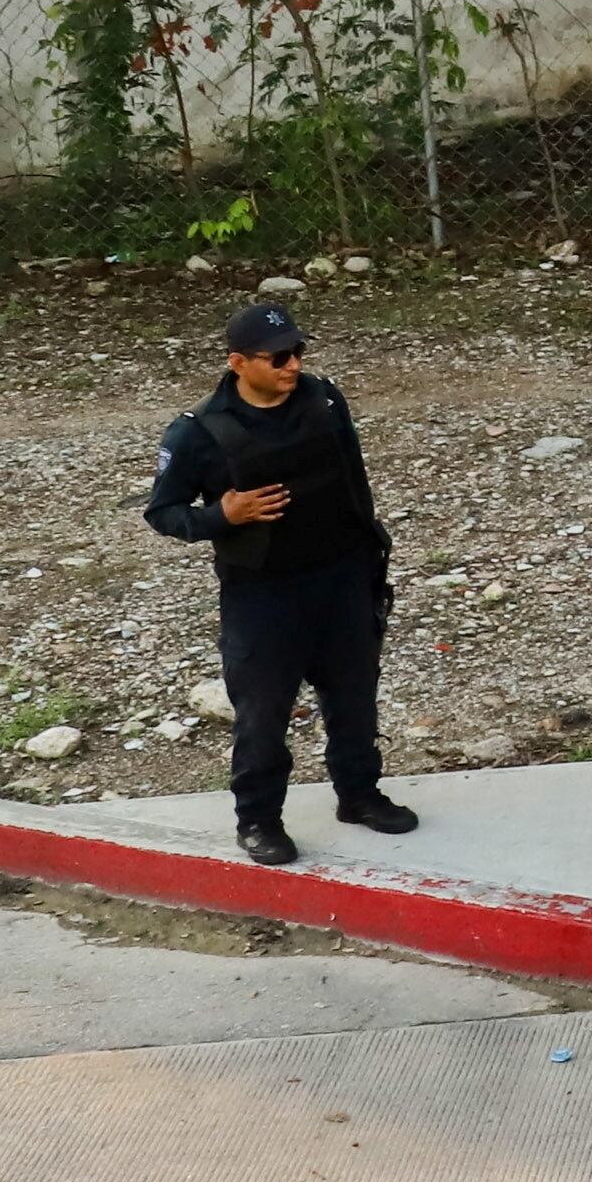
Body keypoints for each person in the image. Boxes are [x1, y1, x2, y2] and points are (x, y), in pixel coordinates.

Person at [141, 302, 414, 867]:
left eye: (299, 352)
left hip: (341, 579)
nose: (294, 365)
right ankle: (259, 820)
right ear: (238, 362)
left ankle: (359, 795)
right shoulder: (198, 432)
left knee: (354, 698)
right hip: (263, 594)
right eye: (279, 357)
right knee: (264, 712)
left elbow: (353, 484)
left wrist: (368, 561)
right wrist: (222, 516)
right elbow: (163, 512)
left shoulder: (324, 400)